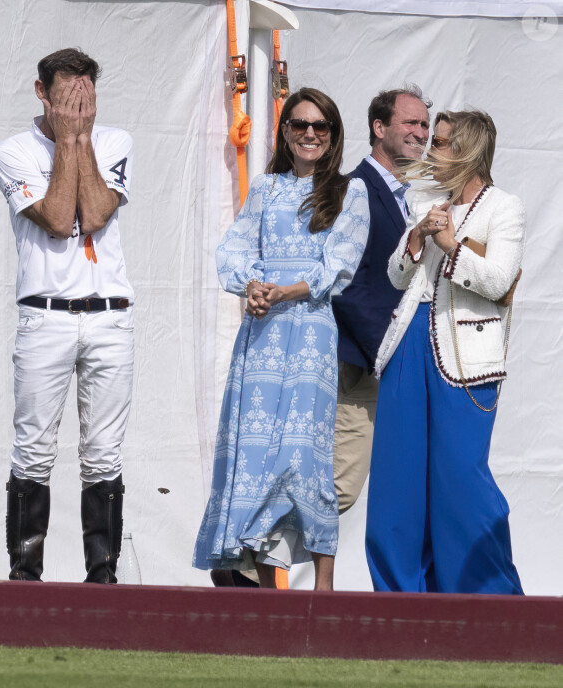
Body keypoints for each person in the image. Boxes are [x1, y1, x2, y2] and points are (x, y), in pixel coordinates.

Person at [193, 87, 369, 590]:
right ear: (285, 133)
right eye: (299, 125)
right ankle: (260, 573)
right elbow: (233, 249)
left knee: (302, 455)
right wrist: (251, 285)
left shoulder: (348, 191)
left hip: (310, 334)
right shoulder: (266, 189)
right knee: (254, 452)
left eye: (320, 126)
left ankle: (324, 583)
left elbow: (340, 262)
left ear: (333, 134)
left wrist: (286, 289)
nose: (309, 134)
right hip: (262, 336)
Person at [366, 109, 524, 594]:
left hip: (466, 357)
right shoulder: (424, 199)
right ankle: (399, 601)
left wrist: (450, 243)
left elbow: (499, 280)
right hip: (409, 342)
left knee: (460, 482)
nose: (428, 148)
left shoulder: (505, 207)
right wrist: (415, 240)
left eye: (440, 142)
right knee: (397, 481)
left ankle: (491, 602)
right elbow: (397, 275)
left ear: (468, 152)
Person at [0, 48, 134, 584]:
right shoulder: (11, 151)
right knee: (33, 449)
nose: (79, 106)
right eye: (68, 95)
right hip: (45, 315)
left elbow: (95, 213)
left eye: (87, 95)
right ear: (42, 92)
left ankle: (103, 576)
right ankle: (25, 576)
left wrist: (80, 139)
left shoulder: (115, 141)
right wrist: (70, 140)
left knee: (103, 453)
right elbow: (55, 217)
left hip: (109, 316)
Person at [331, 86, 431, 514]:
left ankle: (245, 565)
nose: (421, 132)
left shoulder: (417, 199)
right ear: (379, 127)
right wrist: (387, 351)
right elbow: (344, 282)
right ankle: (243, 565)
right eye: (411, 122)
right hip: (359, 362)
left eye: (425, 124)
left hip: (393, 365)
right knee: (339, 486)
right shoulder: (352, 190)